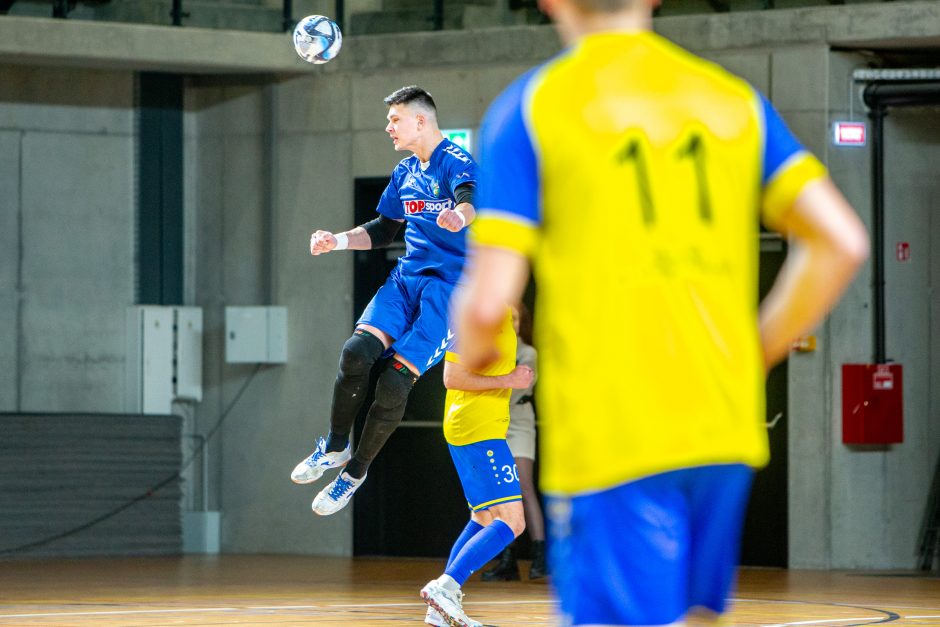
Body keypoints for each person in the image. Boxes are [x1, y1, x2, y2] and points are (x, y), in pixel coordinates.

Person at [453, 0, 871, 623]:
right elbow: (841, 242)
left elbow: (489, 301)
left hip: (614, 432)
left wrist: (478, 343)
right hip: (724, 428)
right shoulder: (732, 100)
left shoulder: (533, 108)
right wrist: (751, 353)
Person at [291, 85, 478, 516]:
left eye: (395, 119)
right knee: (357, 352)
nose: (388, 127)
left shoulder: (457, 162)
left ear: (421, 121)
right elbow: (383, 230)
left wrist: (459, 216)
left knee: (394, 381)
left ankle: (355, 473)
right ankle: (335, 447)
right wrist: (334, 241)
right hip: (407, 277)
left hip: (449, 290)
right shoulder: (405, 171)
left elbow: (471, 198)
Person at [420, 307, 534, 627]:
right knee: (513, 522)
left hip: (471, 427)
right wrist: (510, 378)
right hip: (478, 429)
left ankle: (439, 607)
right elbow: (452, 377)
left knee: (483, 518)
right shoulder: (482, 312)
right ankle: (446, 586)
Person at [481, 303, 547, 581]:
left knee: (524, 487)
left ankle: (540, 557)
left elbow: (519, 386)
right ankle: (506, 559)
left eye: (517, 318)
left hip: (518, 421)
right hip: (495, 422)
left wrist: (491, 383)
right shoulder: (490, 350)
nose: (512, 323)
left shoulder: (527, 352)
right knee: (498, 493)